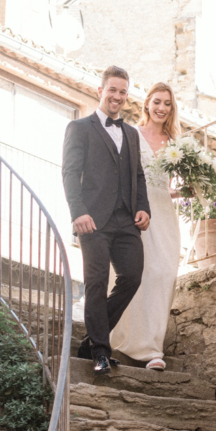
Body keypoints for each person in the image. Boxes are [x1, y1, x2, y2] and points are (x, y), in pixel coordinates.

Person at [61, 66, 150, 375]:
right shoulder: (80, 128)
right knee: (96, 282)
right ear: (100, 91)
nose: (117, 96)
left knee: (132, 277)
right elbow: (70, 172)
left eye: (123, 92)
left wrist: (143, 207)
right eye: (112, 90)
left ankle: (91, 339)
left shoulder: (131, 134)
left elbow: (137, 173)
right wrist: (78, 212)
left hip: (126, 220)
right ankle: (100, 350)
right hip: (93, 219)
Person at [111, 82, 182, 370]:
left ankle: (153, 347)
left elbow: (169, 185)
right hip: (135, 211)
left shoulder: (178, 144)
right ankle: (127, 340)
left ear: (171, 108)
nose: (161, 108)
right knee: (138, 272)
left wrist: (189, 188)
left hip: (164, 212)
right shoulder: (131, 135)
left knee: (164, 273)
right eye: (157, 102)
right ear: (147, 104)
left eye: (166, 103)